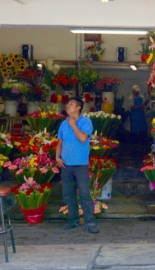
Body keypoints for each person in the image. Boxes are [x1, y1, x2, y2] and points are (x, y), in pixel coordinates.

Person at [56, 97, 98, 234]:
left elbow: (83, 138)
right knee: (68, 194)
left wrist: (74, 125)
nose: (68, 106)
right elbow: (60, 143)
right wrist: (57, 157)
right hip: (66, 165)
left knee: (85, 194)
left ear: (79, 107)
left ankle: (90, 222)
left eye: (72, 104)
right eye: (68, 103)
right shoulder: (63, 124)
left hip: (80, 165)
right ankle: (73, 221)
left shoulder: (86, 122)